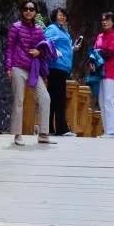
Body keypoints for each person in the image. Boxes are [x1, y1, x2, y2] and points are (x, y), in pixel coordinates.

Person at [5, 0, 57, 146]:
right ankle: (17, 135)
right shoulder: (15, 27)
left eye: (31, 9)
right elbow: (9, 48)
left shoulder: (39, 30)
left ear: (35, 12)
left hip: (33, 69)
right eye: (26, 8)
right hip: (18, 67)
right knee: (19, 100)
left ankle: (43, 134)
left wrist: (38, 52)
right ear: (22, 11)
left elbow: (45, 48)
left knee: (45, 98)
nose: (28, 11)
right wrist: (8, 67)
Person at [44, 7, 80, 136]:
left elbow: (62, 47)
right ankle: (62, 128)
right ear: (55, 16)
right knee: (59, 98)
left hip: (62, 67)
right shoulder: (52, 28)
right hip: (55, 67)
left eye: (64, 16)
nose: (63, 17)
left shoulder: (64, 31)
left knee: (54, 98)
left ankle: (48, 128)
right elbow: (46, 42)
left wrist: (73, 48)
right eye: (60, 15)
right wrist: (54, 52)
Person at [94, 11, 114, 138]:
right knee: (101, 101)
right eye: (103, 20)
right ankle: (106, 131)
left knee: (109, 100)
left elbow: (110, 53)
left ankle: (112, 131)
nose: (104, 22)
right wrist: (91, 60)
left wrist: (98, 53)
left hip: (111, 72)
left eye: (107, 20)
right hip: (99, 73)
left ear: (113, 22)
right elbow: (94, 52)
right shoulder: (99, 36)